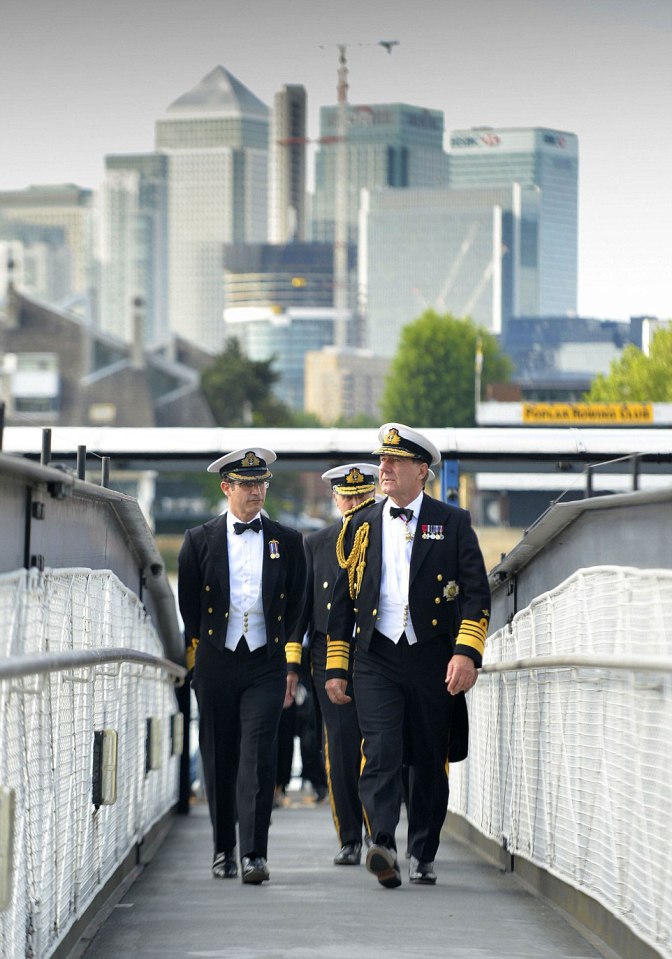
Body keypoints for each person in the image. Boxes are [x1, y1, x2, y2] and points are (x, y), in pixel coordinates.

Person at [325, 424, 490, 888]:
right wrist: (337, 668)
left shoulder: (452, 522)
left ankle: (423, 850)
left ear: (422, 471)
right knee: (379, 750)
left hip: (433, 657)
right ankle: (383, 843)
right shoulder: (359, 526)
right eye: (382, 461)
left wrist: (466, 653)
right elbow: (342, 603)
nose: (384, 468)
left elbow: (476, 594)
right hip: (376, 655)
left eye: (394, 462)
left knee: (428, 758)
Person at [178, 447, 306, 885]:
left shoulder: (287, 541)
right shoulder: (199, 539)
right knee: (219, 755)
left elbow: (298, 602)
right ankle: (222, 850)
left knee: (258, 753)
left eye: (261, 483)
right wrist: (204, 652)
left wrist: (285, 655)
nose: (256, 491)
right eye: (247, 484)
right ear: (226, 488)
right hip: (216, 660)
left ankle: (254, 853)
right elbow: (188, 606)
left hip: (264, 663)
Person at [295, 463, 379, 866]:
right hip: (330, 655)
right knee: (342, 746)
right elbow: (303, 610)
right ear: (336, 499)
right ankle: (350, 836)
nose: (355, 506)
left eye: (362, 498)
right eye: (348, 498)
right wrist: (292, 664)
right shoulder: (317, 543)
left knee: (380, 744)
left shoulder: (388, 536)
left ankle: (380, 832)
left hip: (377, 650)